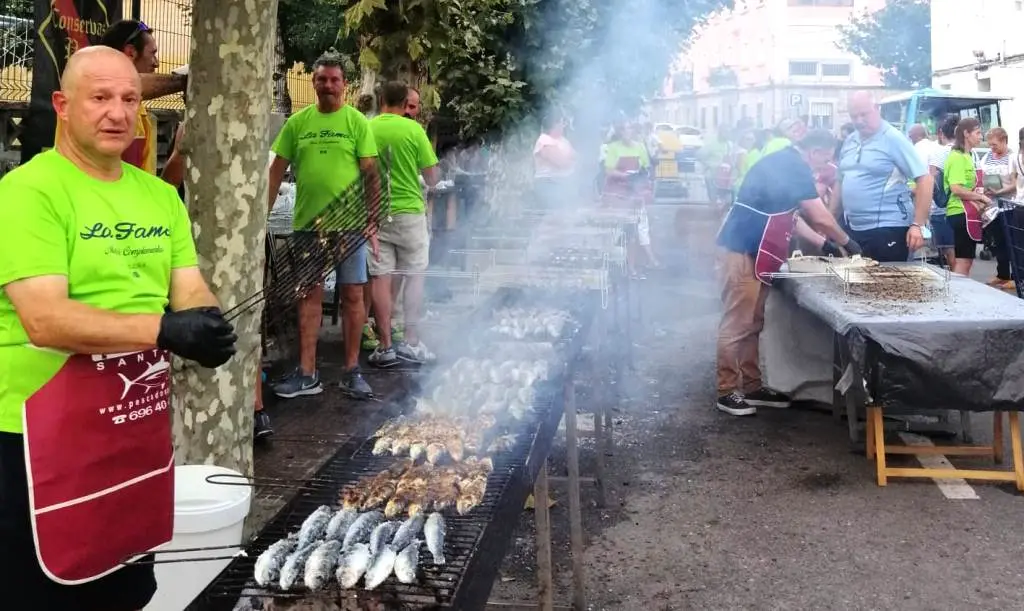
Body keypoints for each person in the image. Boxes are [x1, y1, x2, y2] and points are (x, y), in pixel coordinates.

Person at [0, 46, 236, 609]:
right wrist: (162, 329)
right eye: (100, 97)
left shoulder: (158, 195)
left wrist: (206, 323)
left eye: (130, 99)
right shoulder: (28, 193)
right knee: (41, 594)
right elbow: (44, 318)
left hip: (132, 430)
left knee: (126, 591)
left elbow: (188, 286)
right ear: (61, 104)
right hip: (36, 439)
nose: (117, 112)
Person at [715, 130, 861, 417]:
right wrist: (846, 241)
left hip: (760, 250)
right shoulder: (793, 166)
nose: (824, 166)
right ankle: (725, 390)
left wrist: (825, 244)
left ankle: (753, 387)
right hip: (742, 248)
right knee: (737, 322)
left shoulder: (788, 164)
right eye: (825, 159)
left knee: (754, 321)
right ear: (815, 151)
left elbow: (792, 219)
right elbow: (818, 215)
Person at [266, 52, 380, 400]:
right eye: (321, 80)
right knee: (308, 295)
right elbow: (275, 172)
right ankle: (307, 373)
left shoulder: (356, 122)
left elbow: (372, 174)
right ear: (313, 83)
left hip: (349, 226)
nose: (328, 85)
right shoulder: (297, 123)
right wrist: (262, 218)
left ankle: (351, 370)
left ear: (345, 85)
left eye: (334, 80)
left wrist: (372, 219)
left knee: (352, 295)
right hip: (308, 226)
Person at [366, 82, 439, 368]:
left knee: (381, 278)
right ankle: (410, 341)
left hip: (376, 215)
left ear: (381, 99)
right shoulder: (414, 131)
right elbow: (432, 178)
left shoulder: (367, 128)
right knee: (415, 276)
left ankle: (385, 346)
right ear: (404, 102)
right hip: (410, 214)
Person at [834, 91, 932, 262]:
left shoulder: (893, 138)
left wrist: (918, 225)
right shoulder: (849, 141)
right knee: (855, 284)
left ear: (877, 109)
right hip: (853, 229)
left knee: (887, 285)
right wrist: (830, 219)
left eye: (863, 114)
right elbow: (840, 182)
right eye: (853, 116)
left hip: (888, 228)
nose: (858, 120)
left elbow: (925, 179)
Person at [92, 20, 188, 173]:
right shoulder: (95, 93)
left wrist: (178, 154)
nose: (156, 63)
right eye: (153, 54)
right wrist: (188, 81)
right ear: (130, 53)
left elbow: (143, 186)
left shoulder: (139, 110)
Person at [944, 117, 991, 276]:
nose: (980, 137)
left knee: (967, 260)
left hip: (968, 213)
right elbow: (956, 188)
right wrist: (981, 198)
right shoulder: (957, 156)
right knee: (963, 261)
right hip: (960, 212)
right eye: (977, 133)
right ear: (966, 134)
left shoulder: (969, 156)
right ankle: (958, 297)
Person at [980, 126, 1017, 288]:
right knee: (999, 242)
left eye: (994, 144)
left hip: (1010, 205)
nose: (991, 148)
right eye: (990, 144)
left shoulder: (1013, 158)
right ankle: (1002, 274)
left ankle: (1016, 277)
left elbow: (1017, 183)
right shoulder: (988, 156)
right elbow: (982, 175)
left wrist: (1000, 191)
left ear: (1004, 141)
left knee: (1013, 243)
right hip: (992, 206)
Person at [927, 115, 959, 269]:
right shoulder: (967, 153)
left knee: (949, 253)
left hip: (941, 210)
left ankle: (956, 288)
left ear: (941, 133)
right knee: (962, 255)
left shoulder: (939, 153)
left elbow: (932, 180)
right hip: (962, 209)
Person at [533, 112, 576, 210]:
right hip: (548, 183)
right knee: (552, 217)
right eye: (561, 123)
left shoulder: (563, 140)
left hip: (563, 183)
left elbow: (577, 157)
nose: (563, 126)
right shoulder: (544, 140)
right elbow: (560, 162)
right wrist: (572, 162)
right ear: (554, 125)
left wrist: (572, 162)